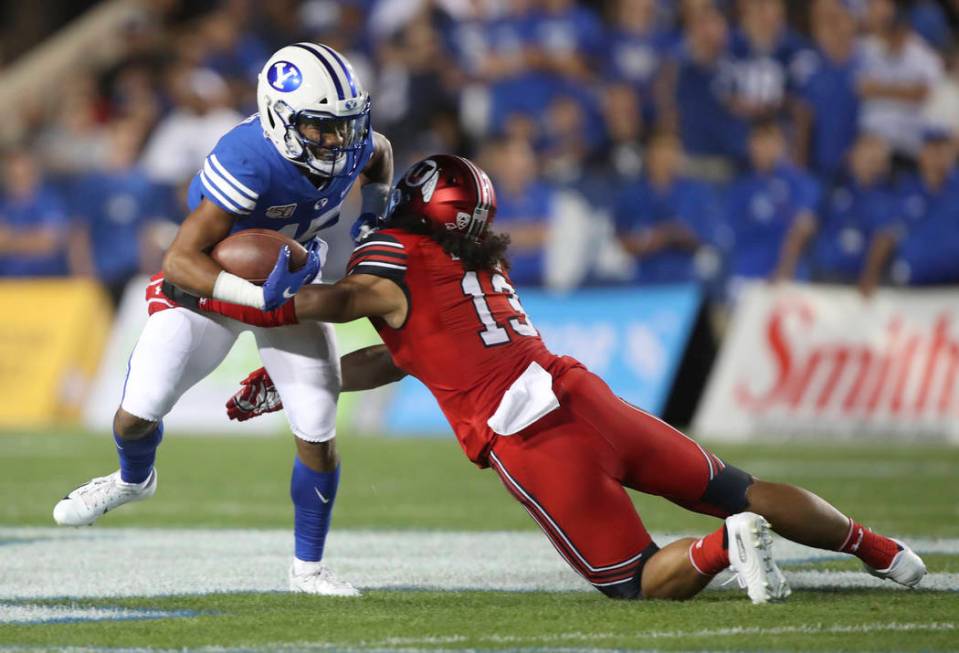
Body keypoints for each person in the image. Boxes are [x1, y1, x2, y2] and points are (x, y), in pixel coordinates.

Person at [182, 154, 926, 601]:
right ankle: (880, 549)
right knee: (735, 482)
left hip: (530, 433)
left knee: (632, 581)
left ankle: (721, 547)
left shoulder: (392, 253)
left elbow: (335, 302)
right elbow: (402, 353)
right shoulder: (480, 258)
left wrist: (260, 289)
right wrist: (298, 382)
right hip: (582, 393)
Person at [52, 42, 395, 597]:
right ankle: (132, 479)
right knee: (135, 416)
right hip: (210, 284)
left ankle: (308, 568)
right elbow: (180, 260)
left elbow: (378, 151)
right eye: (320, 128)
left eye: (342, 125)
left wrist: (374, 215)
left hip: (289, 284)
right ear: (282, 120)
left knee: (317, 425)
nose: (337, 141)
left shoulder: (352, 144)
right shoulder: (248, 156)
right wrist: (256, 296)